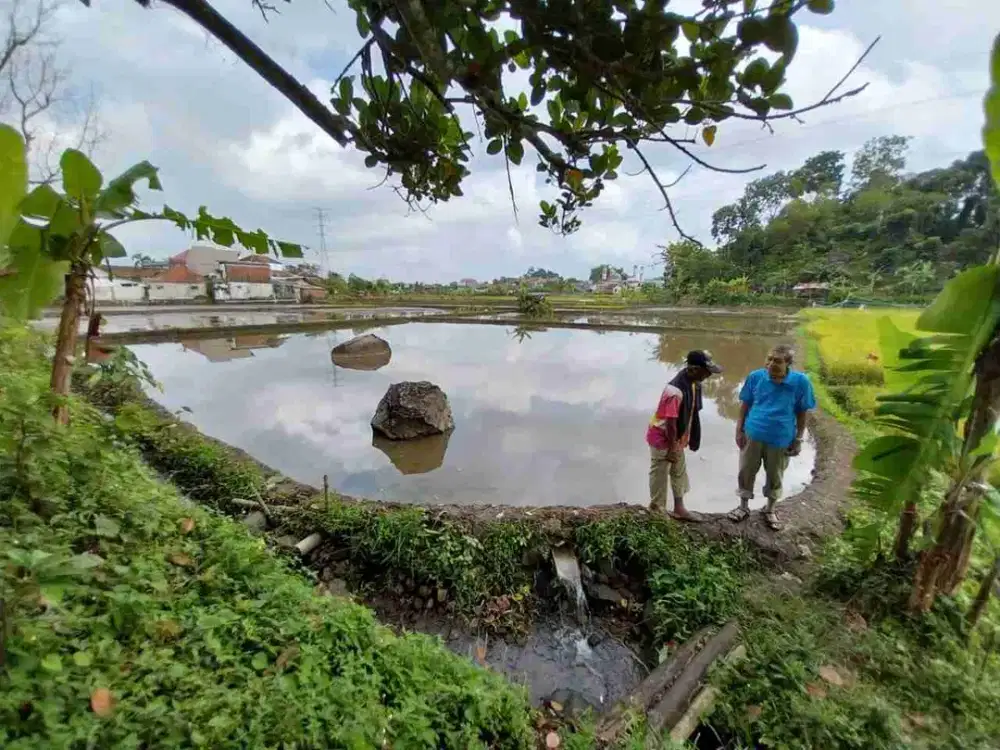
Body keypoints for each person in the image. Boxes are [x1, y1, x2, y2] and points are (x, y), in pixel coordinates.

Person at [728, 344, 816, 531]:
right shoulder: (755, 377)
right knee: (746, 471)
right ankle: (743, 506)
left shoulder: (800, 382)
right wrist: (739, 431)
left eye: (776, 361)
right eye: (768, 359)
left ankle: (770, 509)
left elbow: (802, 413)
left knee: (775, 474)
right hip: (753, 433)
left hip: (781, 437)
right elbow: (745, 405)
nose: (770, 364)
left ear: (788, 363)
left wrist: (798, 440)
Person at [646, 350, 722, 521]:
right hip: (663, 437)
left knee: (678, 471)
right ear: (694, 369)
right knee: (660, 473)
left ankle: (679, 508)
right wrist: (672, 447)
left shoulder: (694, 384)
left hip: (678, 436)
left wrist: (687, 439)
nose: (708, 375)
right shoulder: (674, 391)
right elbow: (670, 422)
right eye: (706, 372)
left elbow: (692, 412)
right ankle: (657, 510)